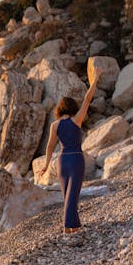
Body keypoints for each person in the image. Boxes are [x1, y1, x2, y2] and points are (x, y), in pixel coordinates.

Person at [39, 67, 103, 234]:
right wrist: (95, 80)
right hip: (75, 160)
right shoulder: (77, 120)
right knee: (73, 195)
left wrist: (46, 165)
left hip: (61, 161)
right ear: (73, 108)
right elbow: (88, 99)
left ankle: (73, 227)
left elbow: (50, 146)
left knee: (67, 194)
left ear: (59, 109)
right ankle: (68, 227)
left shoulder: (55, 125)